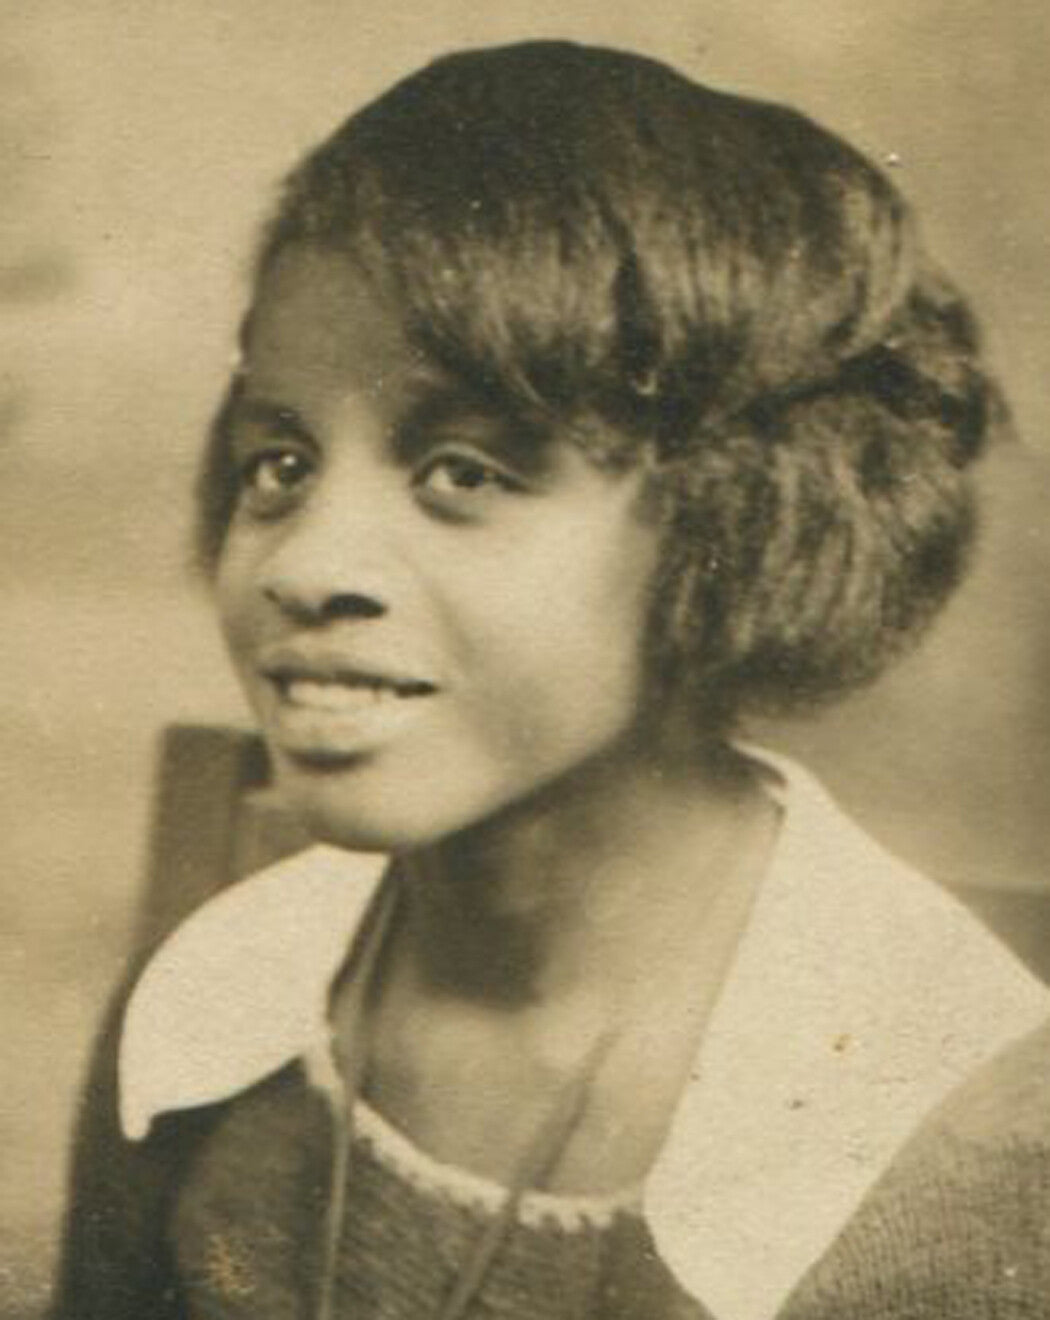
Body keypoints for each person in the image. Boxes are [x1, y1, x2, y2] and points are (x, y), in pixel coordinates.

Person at [51, 40, 1050, 1320]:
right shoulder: (212, 1008)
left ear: (738, 520)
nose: (304, 565)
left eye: (464, 470)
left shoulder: (946, 1148)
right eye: (280, 462)